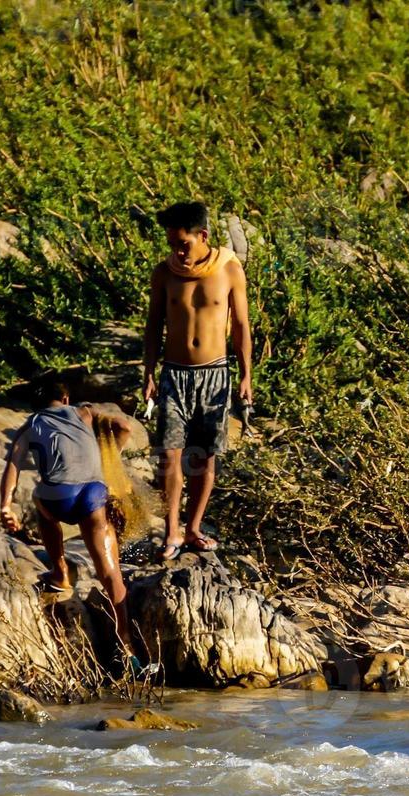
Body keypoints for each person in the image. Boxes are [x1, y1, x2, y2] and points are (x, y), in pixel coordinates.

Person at [142, 201, 253, 560]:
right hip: (174, 373)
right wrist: (148, 372)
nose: (178, 251)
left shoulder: (229, 270)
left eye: (184, 244)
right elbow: (153, 325)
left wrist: (247, 376)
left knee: (204, 457)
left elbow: (240, 327)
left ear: (202, 235)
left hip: (215, 374)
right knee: (171, 456)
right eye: (172, 244)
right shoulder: (164, 273)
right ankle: (172, 530)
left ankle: (193, 528)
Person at [0, 381, 134, 645]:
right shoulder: (84, 412)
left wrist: (6, 505)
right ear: (65, 397)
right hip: (93, 494)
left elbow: (12, 466)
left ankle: (60, 571)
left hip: (57, 499)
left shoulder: (30, 424)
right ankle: (126, 643)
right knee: (110, 571)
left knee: (38, 497)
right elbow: (124, 427)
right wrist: (111, 456)